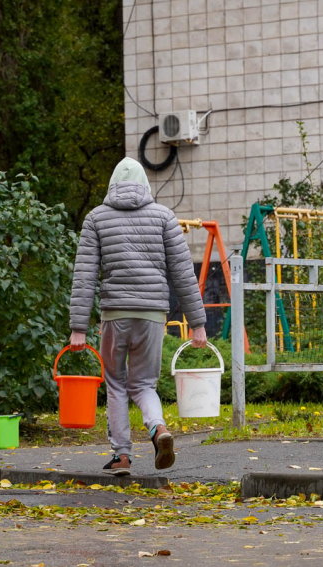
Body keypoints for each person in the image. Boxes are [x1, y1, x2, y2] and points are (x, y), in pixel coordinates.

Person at [69, 157, 207, 475]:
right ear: (145, 185)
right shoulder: (164, 217)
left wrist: (78, 327)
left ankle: (122, 457)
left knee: (116, 384)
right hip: (152, 315)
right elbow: (184, 273)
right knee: (144, 384)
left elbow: (84, 275)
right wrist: (197, 323)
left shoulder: (96, 219)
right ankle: (158, 429)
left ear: (112, 185)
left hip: (114, 315)